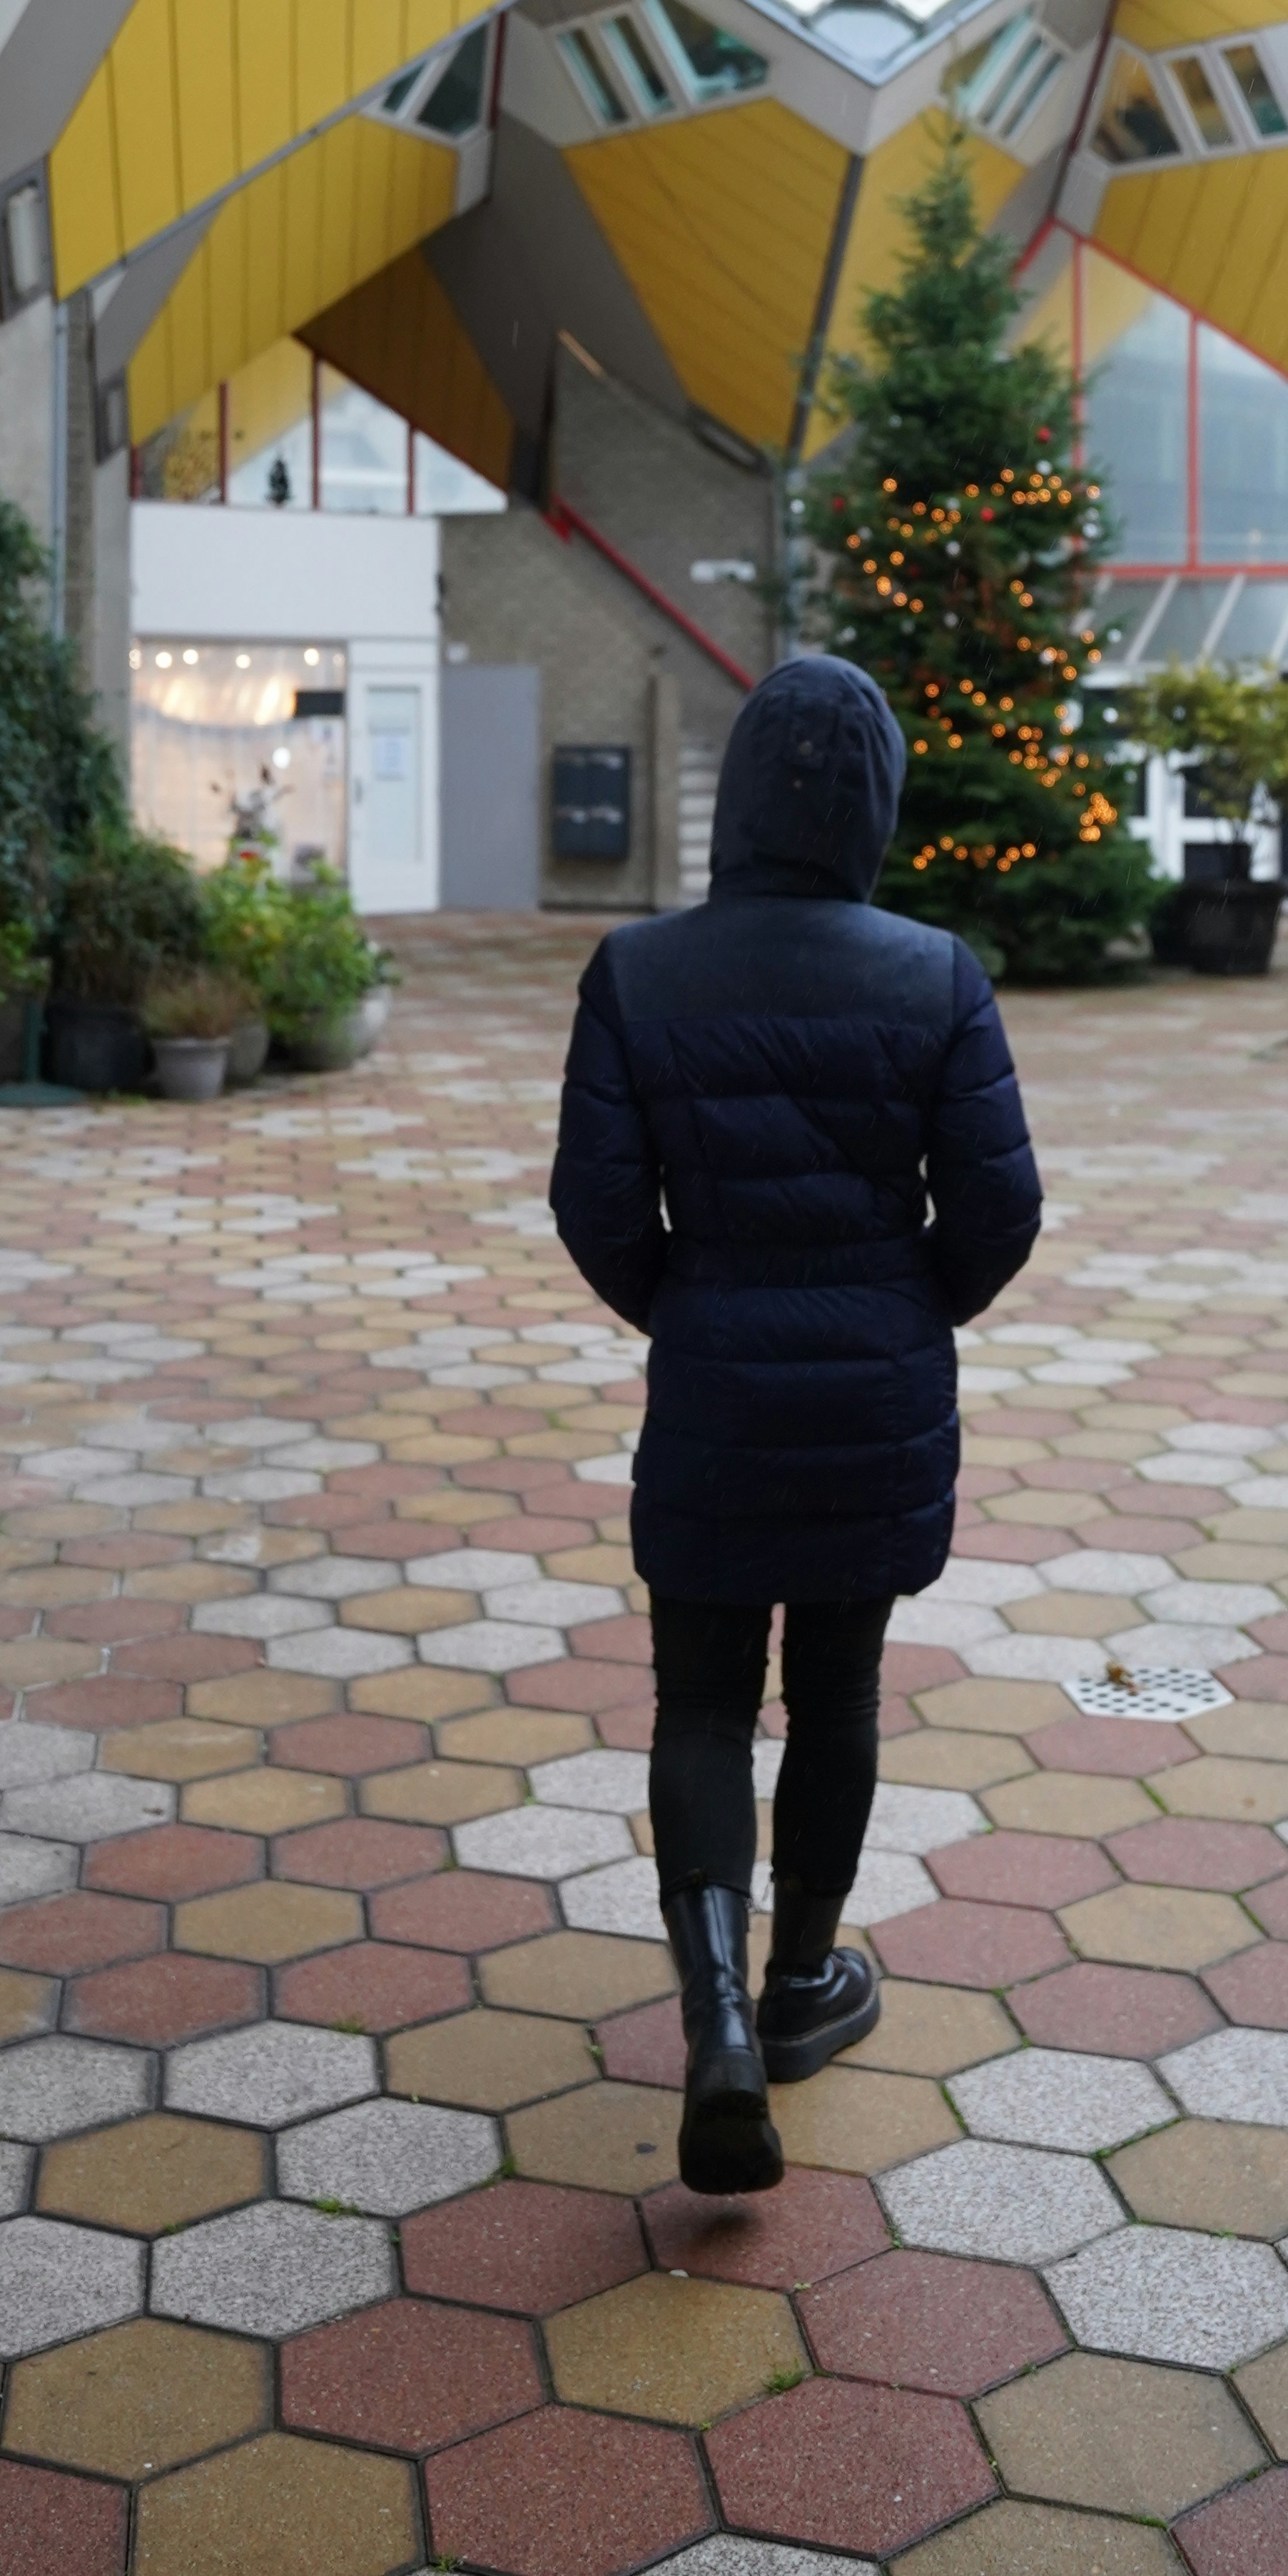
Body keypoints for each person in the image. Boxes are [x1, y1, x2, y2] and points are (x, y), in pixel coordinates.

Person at [549, 655, 1042, 2193]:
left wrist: (684, 1306)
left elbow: (593, 1206)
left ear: (737, 796)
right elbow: (999, 1210)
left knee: (698, 1700)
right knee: (833, 1695)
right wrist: (909, 1310)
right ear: (875, 807)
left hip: (709, 1391)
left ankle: (713, 2021)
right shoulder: (934, 972)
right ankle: (803, 1983)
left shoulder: (638, 971)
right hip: (874, 1395)